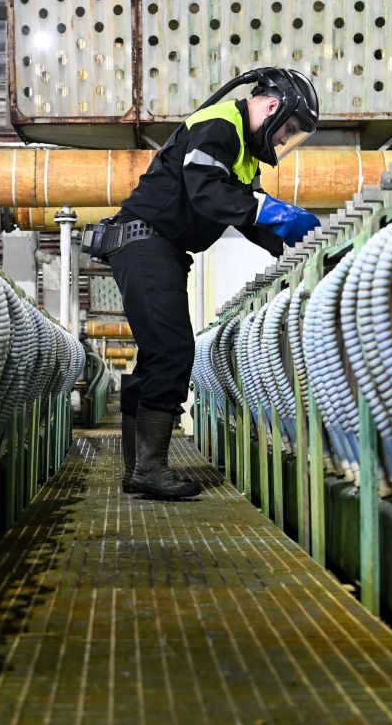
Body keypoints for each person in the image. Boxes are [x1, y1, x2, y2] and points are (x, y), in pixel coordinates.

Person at [91, 67, 321, 500]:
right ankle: (149, 469)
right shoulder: (221, 125)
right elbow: (207, 192)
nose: (283, 140)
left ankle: (139, 468)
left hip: (156, 247)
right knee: (173, 350)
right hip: (146, 243)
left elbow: (242, 213)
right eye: (288, 129)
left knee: (157, 355)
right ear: (273, 107)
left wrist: (297, 246)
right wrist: (274, 213)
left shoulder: (242, 149)